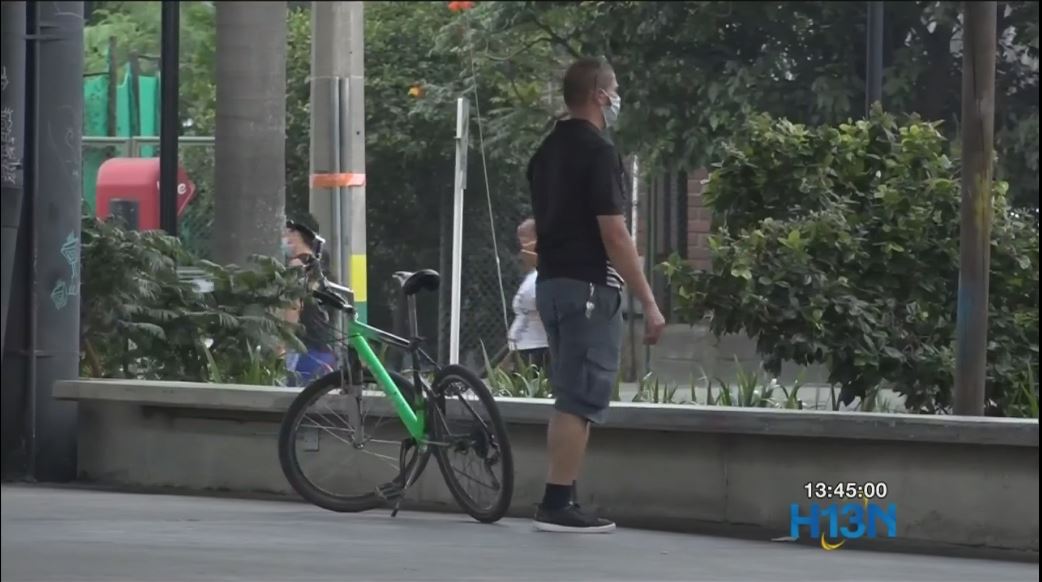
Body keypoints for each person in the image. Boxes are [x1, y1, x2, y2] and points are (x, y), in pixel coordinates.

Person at [528, 57, 666, 533]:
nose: (618, 98)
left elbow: (536, 225)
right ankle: (557, 502)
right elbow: (615, 234)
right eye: (615, 89)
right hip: (590, 288)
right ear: (599, 95)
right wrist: (647, 299)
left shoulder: (546, 152)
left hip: (552, 285)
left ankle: (562, 495)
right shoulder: (599, 152)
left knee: (569, 394)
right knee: (580, 399)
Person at [281, 220, 337, 386]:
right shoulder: (319, 267)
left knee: (293, 401)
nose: (284, 238)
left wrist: (283, 343)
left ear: (296, 235)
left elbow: (294, 305)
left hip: (303, 350)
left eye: (286, 233)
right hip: (324, 350)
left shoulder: (297, 265)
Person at [507, 218, 550, 372]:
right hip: (524, 349)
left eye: (524, 241)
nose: (521, 250)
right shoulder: (532, 276)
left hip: (539, 349)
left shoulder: (545, 278)